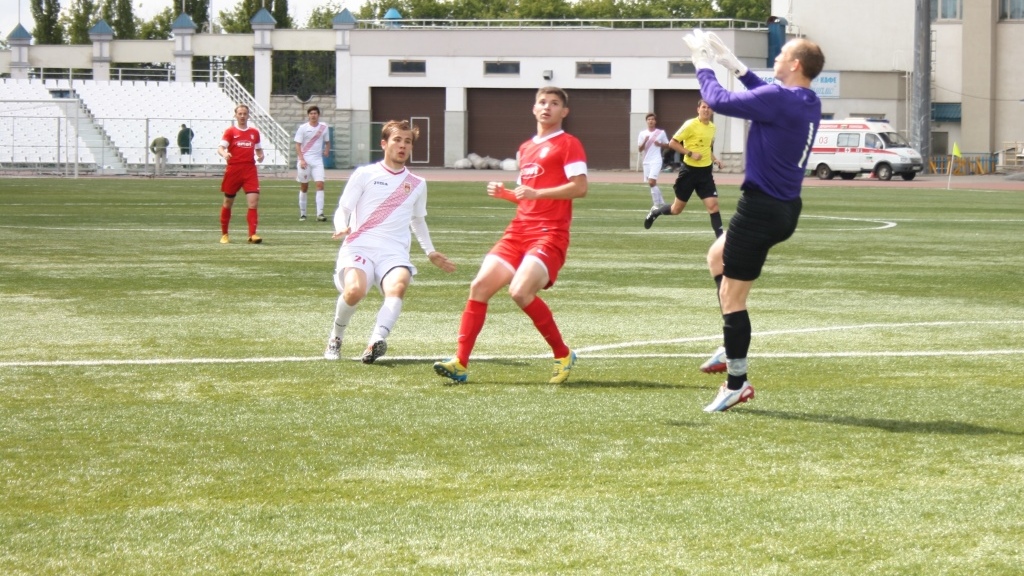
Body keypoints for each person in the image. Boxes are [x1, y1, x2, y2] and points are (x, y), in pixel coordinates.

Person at [682, 30, 824, 412]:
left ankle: (737, 383)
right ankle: (731, 347)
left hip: (760, 210)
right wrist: (735, 65)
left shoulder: (780, 99)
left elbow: (717, 100)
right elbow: (768, 95)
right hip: (784, 208)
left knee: (732, 297)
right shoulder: (806, 99)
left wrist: (702, 62)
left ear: (795, 64)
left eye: (782, 54)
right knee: (716, 256)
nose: (776, 57)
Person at [433, 86, 588, 385]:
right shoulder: (525, 148)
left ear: (564, 112)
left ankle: (563, 353)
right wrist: (505, 193)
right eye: (542, 102)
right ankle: (460, 363)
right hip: (518, 231)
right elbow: (524, 196)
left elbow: (580, 188)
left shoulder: (569, 143)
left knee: (519, 292)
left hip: (549, 233)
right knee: (479, 286)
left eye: (554, 103)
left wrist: (537, 193)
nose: (547, 107)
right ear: (534, 108)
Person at [324, 119, 455, 363]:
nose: (402, 145)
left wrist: (430, 251)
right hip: (360, 245)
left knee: (398, 285)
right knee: (354, 291)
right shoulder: (365, 174)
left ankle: (376, 341)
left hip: (393, 252)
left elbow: (418, 220)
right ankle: (336, 337)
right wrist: (341, 225)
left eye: (407, 141)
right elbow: (344, 208)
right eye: (397, 140)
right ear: (384, 143)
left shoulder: (417, 184)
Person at [643, 100, 725, 237]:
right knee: (676, 209)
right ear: (698, 109)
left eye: (709, 107)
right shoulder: (690, 125)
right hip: (689, 172)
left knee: (713, 206)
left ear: (712, 111)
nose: (706, 110)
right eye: (703, 107)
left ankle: (721, 242)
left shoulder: (712, 127)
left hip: (705, 173)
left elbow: (707, 148)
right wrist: (690, 153)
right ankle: (655, 212)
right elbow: (672, 143)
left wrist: (715, 159)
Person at [217, 104, 265, 244]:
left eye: (245, 113)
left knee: (253, 202)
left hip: (249, 170)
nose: (242, 116)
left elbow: (258, 149)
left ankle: (252, 235)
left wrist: (261, 155)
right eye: (240, 113)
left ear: (248, 115)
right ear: (235, 115)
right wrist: (225, 154)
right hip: (234, 170)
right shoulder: (230, 131)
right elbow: (220, 148)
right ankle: (224, 234)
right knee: (228, 202)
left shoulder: (254, 132)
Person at [294, 106, 331, 222]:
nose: (313, 115)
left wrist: (327, 150)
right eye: (311, 113)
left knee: (320, 185)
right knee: (304, 187)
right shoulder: (303, 128)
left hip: (317, 161)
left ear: (318, 115)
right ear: (308, 115)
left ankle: (320, 213)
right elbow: (297, 145)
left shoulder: (324, 127)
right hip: (305, 161)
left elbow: (327, 142)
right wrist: (301, 159)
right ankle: (303, 214)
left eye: (315, 113)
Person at [637, 113, 670, 208]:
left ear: (655, 121)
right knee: (651, 183)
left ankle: (656, 204)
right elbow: (640, 149)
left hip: (656, 160)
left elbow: (668, 145)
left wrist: (660, 144)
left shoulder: (660, 133)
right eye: (649, 119)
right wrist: (645, 141)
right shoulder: (642, 134)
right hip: (646, 161)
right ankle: (662, 203)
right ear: (646, 121)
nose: (651, 121)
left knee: (651, 181)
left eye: (652, 119)